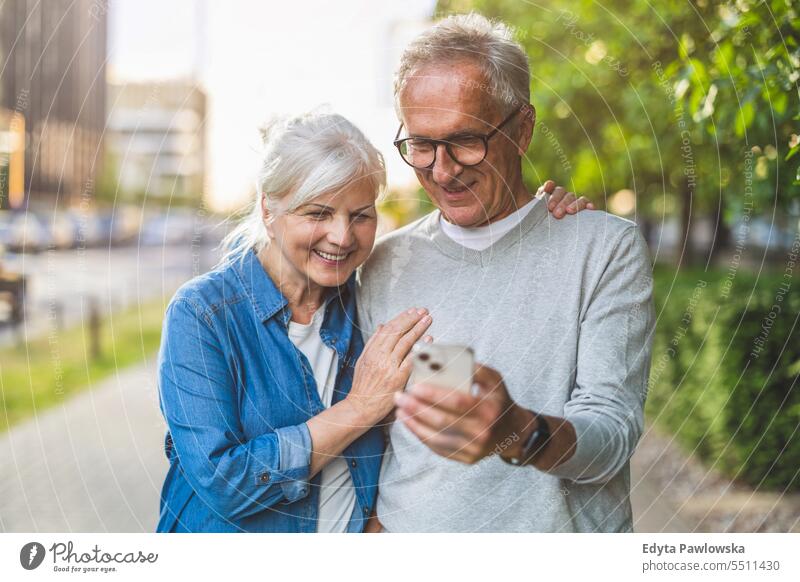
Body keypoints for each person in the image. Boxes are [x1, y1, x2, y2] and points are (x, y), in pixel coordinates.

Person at [156, 110, 590, 532]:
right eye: (318, 213)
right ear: (269, 211)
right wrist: (360, 408)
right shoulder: (201, 316)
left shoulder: (372, 293)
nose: (343, 237)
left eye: (360, 215)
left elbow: (447, 413)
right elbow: (224, 483)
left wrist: (529, 222)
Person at [358, 13, 655, 532]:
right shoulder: (385, 262)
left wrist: (517, 431)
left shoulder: (603, 249)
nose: (442, 171)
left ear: (522, 129)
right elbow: (372, 434)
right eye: (421, 145)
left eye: (466, 141)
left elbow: (613, 430)